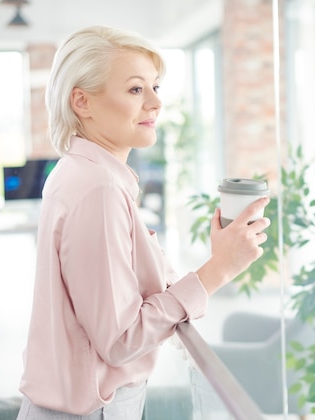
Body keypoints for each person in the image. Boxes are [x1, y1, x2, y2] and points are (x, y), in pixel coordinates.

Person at [17, 25, 270, 419]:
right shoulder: (98, 189)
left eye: (155, 87)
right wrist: (219, 269)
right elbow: (121, 339)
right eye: (136, 89)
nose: (155, 103)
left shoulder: (85, 175)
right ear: (82, 102)